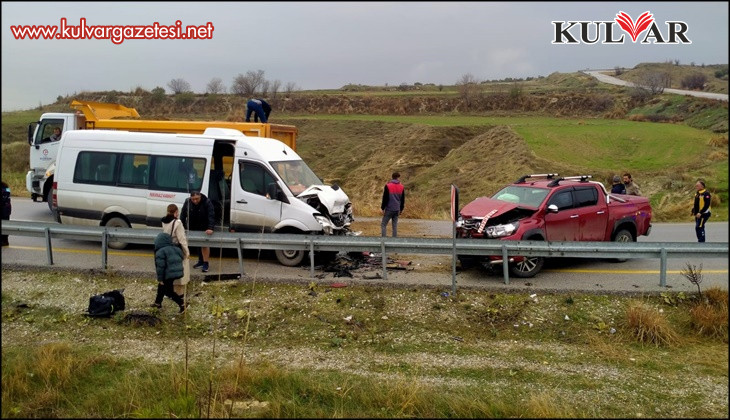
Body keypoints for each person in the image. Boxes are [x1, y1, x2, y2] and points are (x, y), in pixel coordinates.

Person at [152, 227, 187, 313]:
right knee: (161, 287)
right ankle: (157, 303)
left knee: (168, 291)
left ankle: (182, 304)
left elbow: (160, 267)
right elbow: (182, 257)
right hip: (177, 272)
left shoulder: (160, 252)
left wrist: (160, 279)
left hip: (168, 274)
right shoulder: (176, 248)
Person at [180, 190, 215, 272]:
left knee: (204, 244)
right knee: (198, 244)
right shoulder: (188, 202)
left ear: (200, 196)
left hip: (204, 226)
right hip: (193, 225)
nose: (195, 201)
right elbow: (183, 214)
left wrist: (210, 227)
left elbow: (211, 215)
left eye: (197, 199)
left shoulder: (207, 202)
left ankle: (206, 263)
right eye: (193, 199)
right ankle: (201, 261)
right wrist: (182, 227)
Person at [161, 204, 190, 300]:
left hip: (166, 247)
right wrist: (186, 251)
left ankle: (169, 290)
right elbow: (182, 239)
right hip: (176, 248)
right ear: (176, 212)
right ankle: (179, 292)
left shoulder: (164, 221)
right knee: (181, 270)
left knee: (169, 270)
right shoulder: (177, 222)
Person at [381, 172, 405, 237]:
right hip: (397, 209)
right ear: (398, 177)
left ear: (392, 177)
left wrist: (382, 208)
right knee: (394, 226)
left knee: (383, 224)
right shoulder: (402, 187)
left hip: (389, 208)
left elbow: (385, 198)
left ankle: (384, 239)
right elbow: (402, 200)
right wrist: (401, 209)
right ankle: (394, 241)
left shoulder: (388, 186)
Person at [1, 181, 11, 246]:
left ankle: (4, 241)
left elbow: (5, 197)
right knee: (5, 225)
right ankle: (5, 240)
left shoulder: (4, 187)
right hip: (7, 208)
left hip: (4, 209)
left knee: (4, 225)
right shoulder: (6, 186)